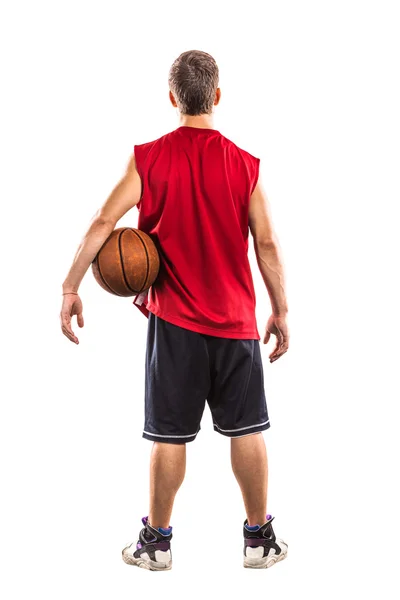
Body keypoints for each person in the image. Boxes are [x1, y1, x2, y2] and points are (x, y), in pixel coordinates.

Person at [60, 50, 289, 571]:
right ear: (217, 96)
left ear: (172, 98)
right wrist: (281, 310)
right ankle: (259, 540)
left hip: (176, 326)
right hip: (235, 324)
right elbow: (268, 244)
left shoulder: (149, 158)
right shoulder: (244, 164)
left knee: (168, 437)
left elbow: (102, 223)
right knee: (247, 430)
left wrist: (71, 287)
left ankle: (156, 545)